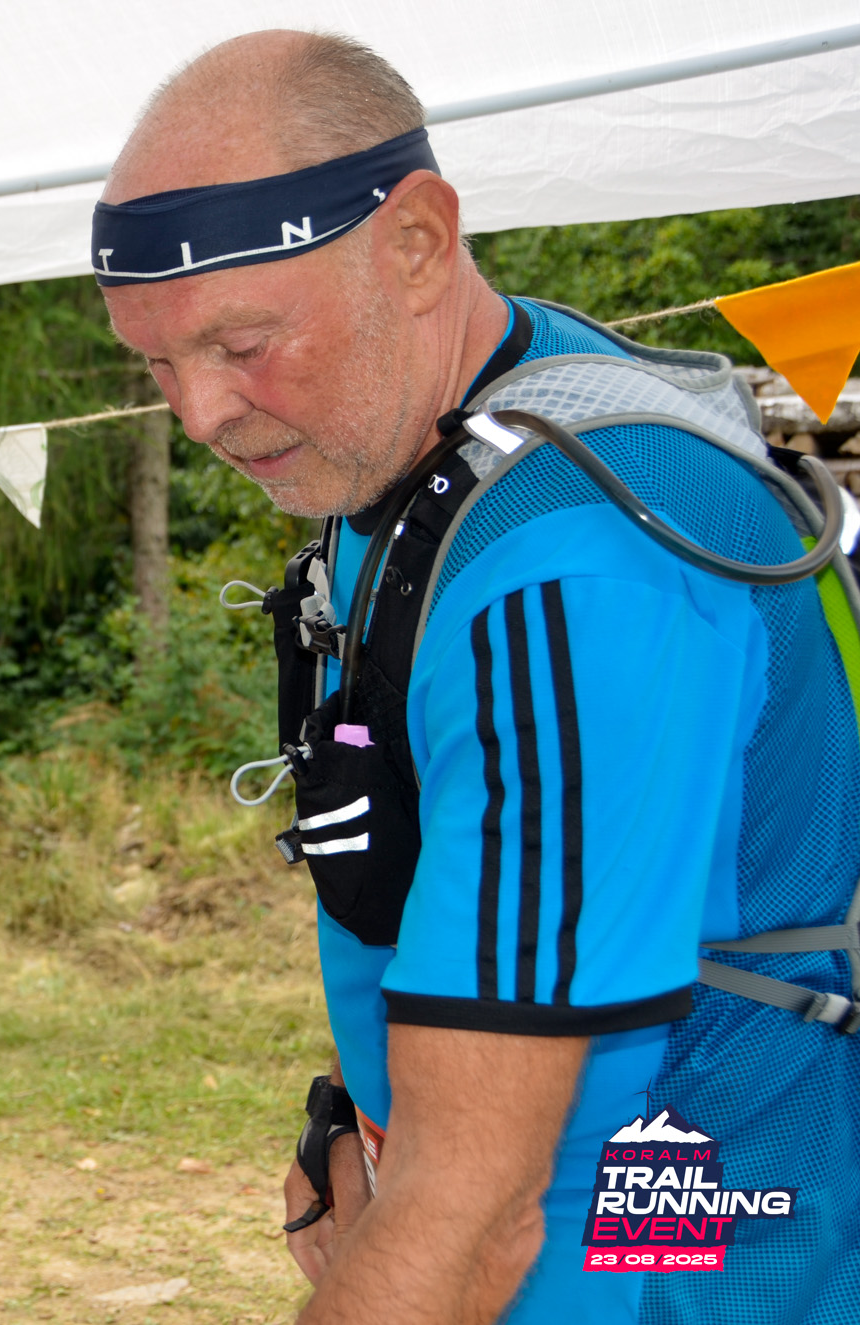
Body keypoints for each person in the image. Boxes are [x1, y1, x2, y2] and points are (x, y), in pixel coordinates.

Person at [95, 30, 859, 1325]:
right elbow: (461, 876)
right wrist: (360, 1107)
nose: (201, 414)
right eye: (157, 363)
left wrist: (421, 1195)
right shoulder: (438, 434)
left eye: (243, 342)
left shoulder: (575, 560)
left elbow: (477, 1219)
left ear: (415, 244)